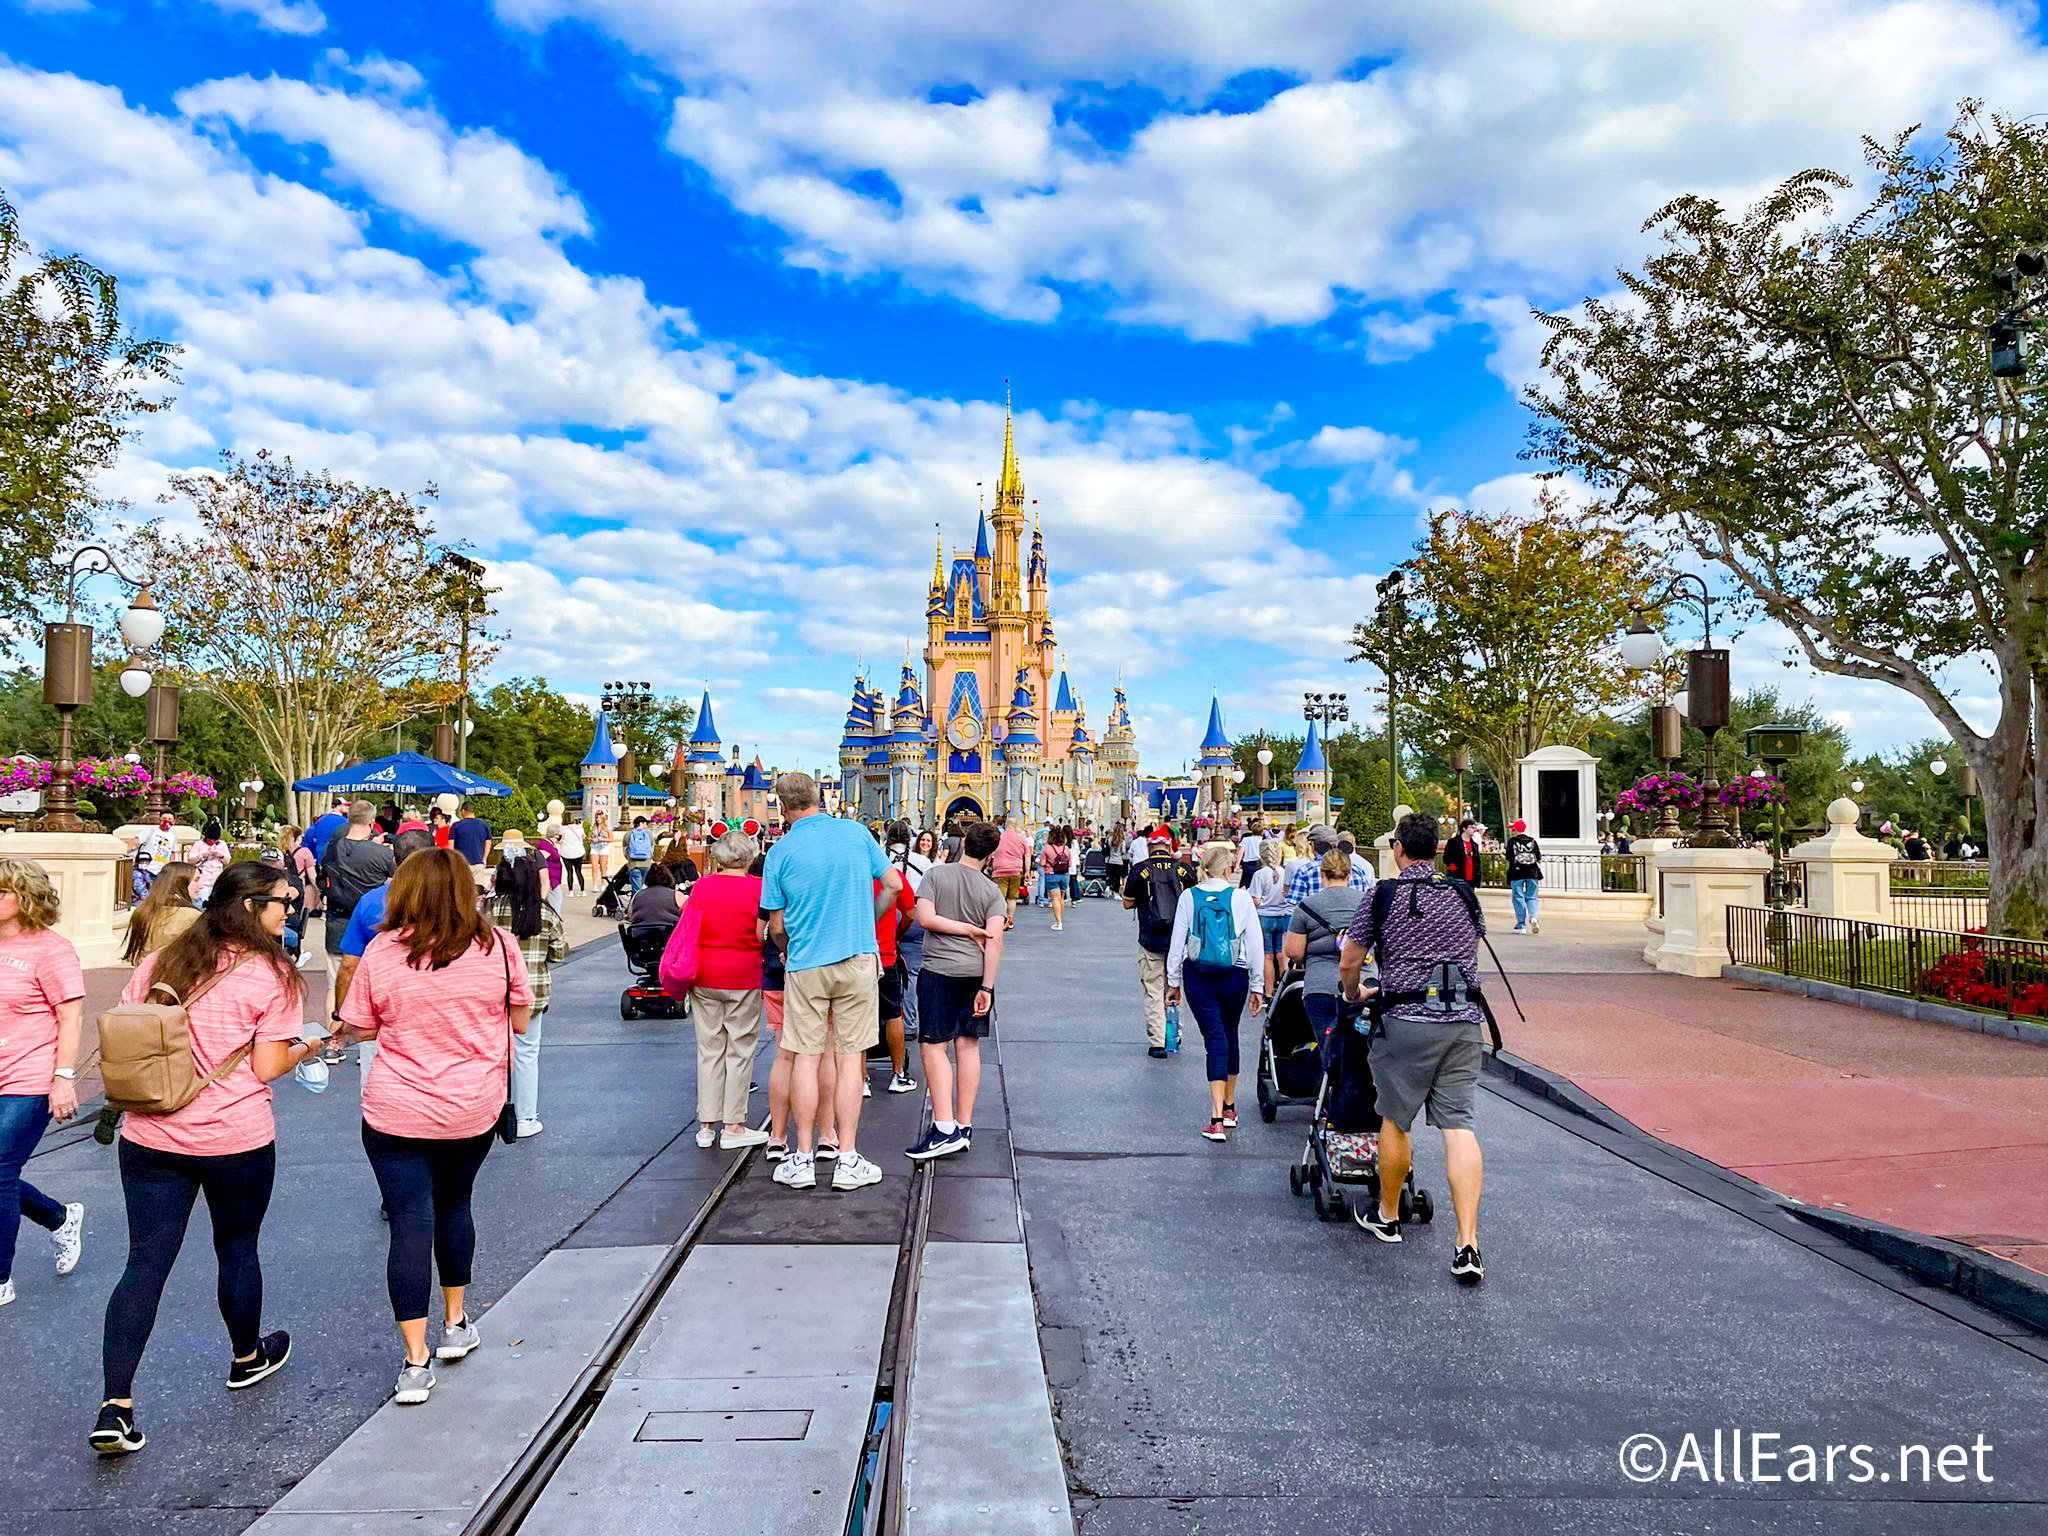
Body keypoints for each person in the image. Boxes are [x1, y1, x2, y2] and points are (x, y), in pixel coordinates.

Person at [92, 859, 322, 1456]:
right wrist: (308, 1046)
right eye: (283, 900)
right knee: (237, 1248)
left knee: (144, 1264)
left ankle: (115, 1405)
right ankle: (246, 1357)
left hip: (150, 1135)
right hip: (233, 1136)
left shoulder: (160, 961)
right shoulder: (271, 976)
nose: (290, 908)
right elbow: (268, 1065)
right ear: (250, 908)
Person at [338, 847, 533, 1406]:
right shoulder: (499, 948)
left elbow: (361, 1027)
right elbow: (520, 1020)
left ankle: (415, 1360)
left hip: (396, 1108)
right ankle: (455, 1323)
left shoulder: (381, 951)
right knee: (455, 1207)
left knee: (408, 1222)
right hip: (471, 1106)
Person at [1339, 812, 1489, 1283]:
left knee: (1395, 1119)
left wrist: (1353, 991)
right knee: (1459, 1127)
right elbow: (1470, 945)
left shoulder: (1383, 894)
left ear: (1399, 850)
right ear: (1441, 849)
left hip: (1405, 1019)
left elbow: (1351, 957)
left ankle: (1388, 1216)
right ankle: (1467, 1244)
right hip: (1463, 1021)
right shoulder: (1464, 894)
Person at [759, 772, 900, 1194]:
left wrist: (786, 947)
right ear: (819, 797)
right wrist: (866, 923)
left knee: (804, 1055)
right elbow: (894, 886)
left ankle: (801, 1158)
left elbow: (776, 924)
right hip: (857, 957)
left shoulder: (780, 851)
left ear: (783, 808)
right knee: (849, 1056)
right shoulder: (857, 834)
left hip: (805, 964)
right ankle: (847, 1157)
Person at [0, 860, 87, 1316]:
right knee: (1, 1175)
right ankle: (59, 1217)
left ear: (25, 897)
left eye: (2, 891)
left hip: (28, 1074)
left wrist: (64, 1078)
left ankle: (0, 1278)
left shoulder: (51, 950)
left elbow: (70, 1016)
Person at [905, 821, 1006, 1160]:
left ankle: (944, 1127)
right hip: (973, 975)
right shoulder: (992, 892)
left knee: (934, 1047)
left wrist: (961, 928)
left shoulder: (936, 876)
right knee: (968, 1047)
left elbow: (925, 919)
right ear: (990, 854)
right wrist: (987, 987)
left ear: (963, 843)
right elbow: (994, 941)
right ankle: (964, 1125)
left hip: (939, 971)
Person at [666, 828, 770, 1150]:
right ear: (749, 856)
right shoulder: (759, 889)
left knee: (709, 1050)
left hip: (704, 975)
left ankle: (706, 1125)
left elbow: (688, 922)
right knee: (739, 1050)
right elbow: (760, 933)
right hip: (743, 976)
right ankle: (734, 1125)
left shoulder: (703, 886)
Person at [1165, 843, 1265, 1141]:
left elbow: (1178, 941)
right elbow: (1256, 945)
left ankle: (1216, 1118)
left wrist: (1173, 982)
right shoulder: (1242, 898)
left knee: (1214, 1037)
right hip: (1235, 972)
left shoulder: (1189, 897)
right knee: (1230, 1032)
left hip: (1199, 975)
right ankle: (1230, 1107)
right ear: (1227, 868)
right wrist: (1258, 985)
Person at [332, 829, 438, 1074]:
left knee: (376, 1080)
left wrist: (341, 1014)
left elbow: (349, 964)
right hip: (437, 1013)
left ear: (394, 862)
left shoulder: (371, 901)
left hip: (381, 1014)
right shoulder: (449, 902)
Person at [485, 854, 567, 1140]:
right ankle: (526, 1116)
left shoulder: (490, 911)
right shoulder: (545, 914)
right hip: (532, 993)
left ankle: (489, 1114)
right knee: (527, 1054)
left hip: (493, 993)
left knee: (493, 1054)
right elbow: (559, 952)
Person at [1284, 847, 1369, 1049]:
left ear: (1322, 874)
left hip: (1321, 985)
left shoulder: (1306, 906)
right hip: (1364, 982)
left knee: (1327, 1046)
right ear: (1350, 874)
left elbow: (1294, 951)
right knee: (1359, 1049)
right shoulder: (1367, 904)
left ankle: (1329, 1077)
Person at [1123, 831, 1193, 1058]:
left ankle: (1158, 1040)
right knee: (1174, 986)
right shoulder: (1183, 869)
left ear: (1149, 849)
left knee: (1153, 988)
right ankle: (1175, 1033)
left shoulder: (1140, 870)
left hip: (1150, 936)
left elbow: (1127, 903)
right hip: (1178, 937)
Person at [872, 837, 920, 1098]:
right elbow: (910, 914)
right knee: (893, 1013)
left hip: (857, 956)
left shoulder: (850, 878)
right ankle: (898, 1074)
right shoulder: (893, 877)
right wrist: (896, 934)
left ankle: (863, 1079)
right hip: (886, 954)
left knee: (860, 1018)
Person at [890, 826, 934, 1045]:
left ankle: (889, 1021)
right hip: (915, 917)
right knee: (913, 973)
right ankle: (910, 1024)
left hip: (886, 916)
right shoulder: (922, 861)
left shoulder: (880, 857)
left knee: (887, 970)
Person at [122, 861, 202, 965]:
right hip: (176, 975)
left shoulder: (142, 911)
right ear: (181, 882)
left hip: (145, 974)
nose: (200, 886)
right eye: (196, 880)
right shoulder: (192, 916)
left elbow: (137, 955)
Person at [1285, 825, 1372, 904]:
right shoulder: (1357, 871)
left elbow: (1294, 907)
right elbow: (1366, 903)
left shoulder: (1305, 872)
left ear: (1314, 845)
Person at [1248, 839, 1293, 994]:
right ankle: (1284, 990)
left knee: (1267, 956)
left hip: (1264, 917)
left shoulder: (1259, 875)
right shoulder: (1285, 872)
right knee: (1282, 955)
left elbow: (1256, 900)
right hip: (1282, 916)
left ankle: (1267, 992)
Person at [1503, 818, 1542, 935]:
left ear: (1515, 829)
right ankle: (1534, 917)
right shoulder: (1533, 841)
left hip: (1517, 873)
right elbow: (1538, 857)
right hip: (1533, 872)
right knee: (1532, 897)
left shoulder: (1512, 842)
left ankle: (1521, 925)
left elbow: (1509, 857)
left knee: (1518, 897)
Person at [989, 814, 1028, 927]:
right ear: (1016, 826)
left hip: (1000, 870)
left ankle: (1002, 919)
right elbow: (1028, 855)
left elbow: (991, 854)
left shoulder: (998, 837)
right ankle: (1010, 920)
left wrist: (989, 865)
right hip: (1016, 870)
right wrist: (1027, 871)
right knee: (1012, 898)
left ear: (1005, 825)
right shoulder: (1021, 839)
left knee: (1001, 898)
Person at [186, 821, 232, 906]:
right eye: (209, 839)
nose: (211, 841)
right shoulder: (198, 844)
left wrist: (220, 856)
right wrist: (202, 856)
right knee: (201, 903)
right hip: (202, 880)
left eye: (214, 840)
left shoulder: (222, 844)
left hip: (215, 878)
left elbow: (227, 861)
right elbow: (191, 861)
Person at [628, 861, 683, 928]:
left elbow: (630, 914)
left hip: (640, 933)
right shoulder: (676, 895)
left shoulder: (638, 895)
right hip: (667, 932)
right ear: (668, 878)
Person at [1039, 825, 1074, 932]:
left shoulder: (1047, 849)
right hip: (1064, 875)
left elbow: (1042, 863)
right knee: (1061, 898)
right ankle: (1060, 920)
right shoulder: (1066, 848)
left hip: (1052, 874)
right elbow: (1070, 864)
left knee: (1055, 898)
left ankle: (1058, 922)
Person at [302, 796, 351, 866]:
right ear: (338, 807)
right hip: (337, 857)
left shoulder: (320, 820)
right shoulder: (345, 822)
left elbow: (309, 836)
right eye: (345, 805)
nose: (348, 807)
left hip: (320, 855)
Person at [447, 802, 492, 870]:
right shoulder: (484, 825)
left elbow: (450, 845)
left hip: (461, 863)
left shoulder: (456, 826)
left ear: (463, 811)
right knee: (477, 881)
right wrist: (484, 859)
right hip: (478, 863)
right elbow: (488, 843)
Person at [1442, 820, 1481, 884]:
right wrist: (1452, 865)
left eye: (1474, 828)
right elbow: (1447, 856)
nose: (1474, 830)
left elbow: (1477, 862)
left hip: (1471, 877)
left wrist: (1477, 876)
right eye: (1471, 827)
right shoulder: (1454, 842)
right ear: (1464, 829)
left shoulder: (1474, 845)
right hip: (1457, 876)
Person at [625, 816, 655, 893]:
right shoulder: (649, 833)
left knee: (636, 889)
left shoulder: (628, 834)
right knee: (644, 887)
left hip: (634, 864)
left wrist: (629, 859)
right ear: (642, 823)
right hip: (646, 864)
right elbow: (652, 849)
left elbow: (625, 850)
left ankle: (635, 903)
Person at [558, 816, 587, 893]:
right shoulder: (579, 828)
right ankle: (582, 890)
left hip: (566, 852)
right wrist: (581, 826)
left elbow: (559, 840)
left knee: (569, 872)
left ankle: (570, 891)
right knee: (579, 872)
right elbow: (584, 837)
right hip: (578, 852)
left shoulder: (562, 829)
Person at [590, 809, 613, 884]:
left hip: (604, 847)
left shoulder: (607, 827)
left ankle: (603, 883)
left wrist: (603, 839)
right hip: (594, 847)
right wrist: (592, 839)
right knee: (594, 865)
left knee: (603, 866)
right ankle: (595, 884)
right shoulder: (593, 827)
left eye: (600, 818)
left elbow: (611, 839)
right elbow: (589, 837)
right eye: (597, 818)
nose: (598, 819)